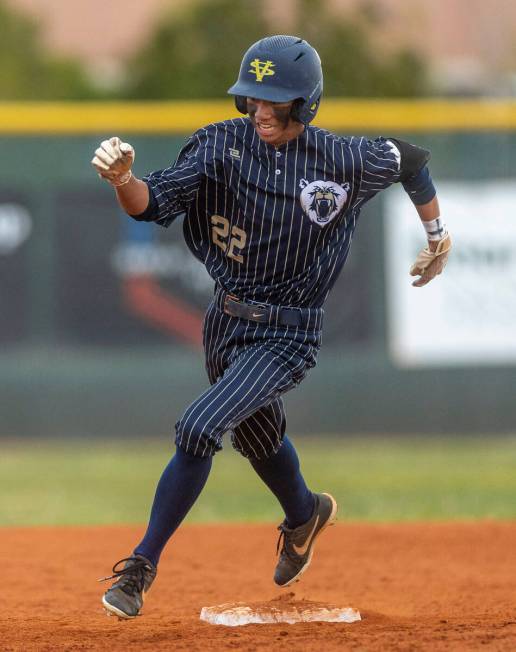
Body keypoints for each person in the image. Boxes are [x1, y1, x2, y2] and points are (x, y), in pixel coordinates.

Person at [92, 35, 451, 620]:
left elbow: (411, 160)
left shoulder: (341, 159)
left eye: (275, 100)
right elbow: (152, 204)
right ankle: (306, 513)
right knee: (258, 440)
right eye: (253, 98)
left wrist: (437, 237)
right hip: (225, 320)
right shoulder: (219, 146)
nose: (260, 110)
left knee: (199, 426)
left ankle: (138, 568)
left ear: (304, 104)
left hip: (289, 334)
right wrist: (122, 180)